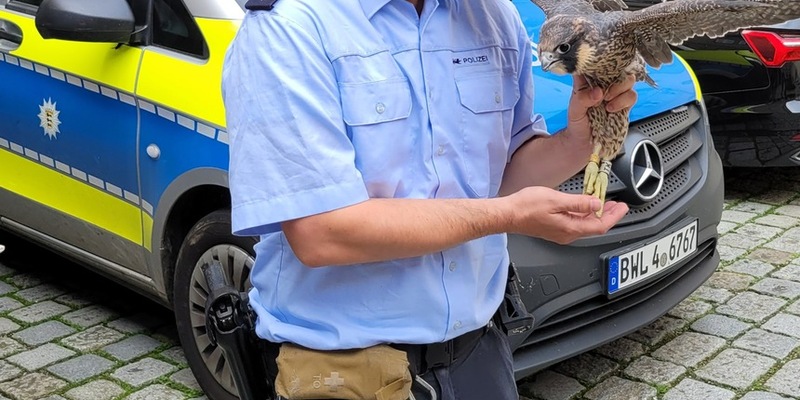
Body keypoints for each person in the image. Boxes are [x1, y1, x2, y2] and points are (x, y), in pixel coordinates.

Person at [221, 0, 637, 398]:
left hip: (478, 351)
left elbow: (499, 180)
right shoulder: (289, 28)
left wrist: (575, 143)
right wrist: (507, 216)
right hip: (344, 368)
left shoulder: (495, 17)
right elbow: (321, 233)